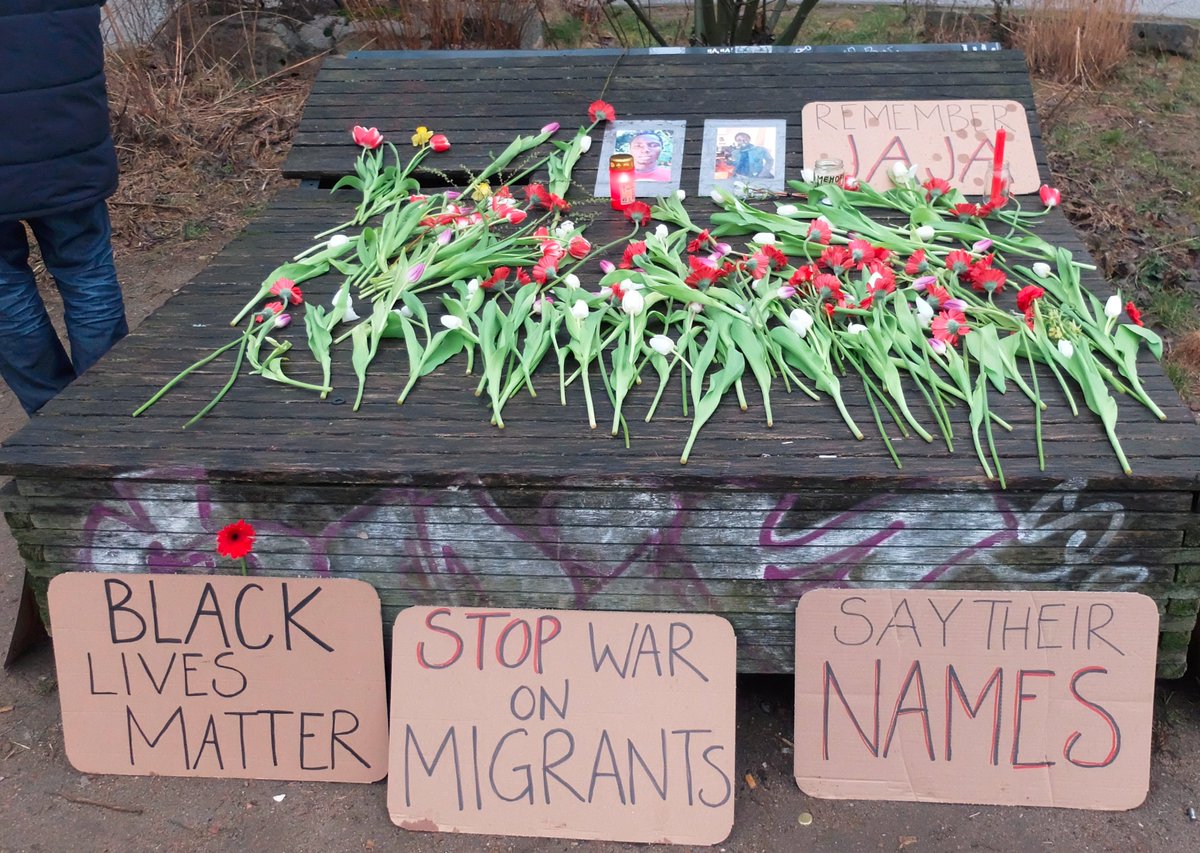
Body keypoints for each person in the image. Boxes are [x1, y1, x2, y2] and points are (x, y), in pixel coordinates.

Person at [0, 0, 129, 415]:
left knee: (3, 289)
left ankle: (53, 416)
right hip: (65, 132)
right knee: (87, 272)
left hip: (65, 132)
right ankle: (104, 409)